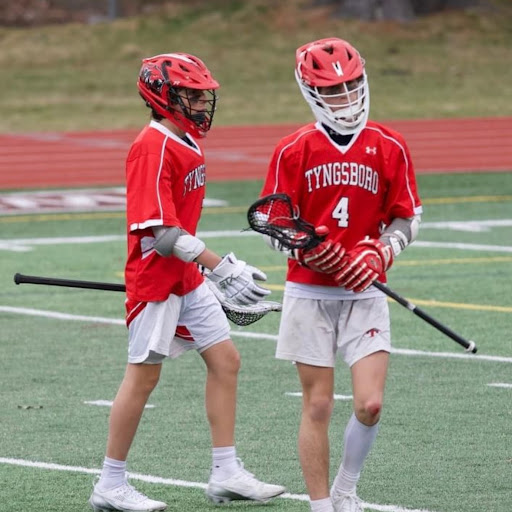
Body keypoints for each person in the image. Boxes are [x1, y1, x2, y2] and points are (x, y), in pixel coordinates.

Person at [88, 52, 286, 512]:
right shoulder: (152, 146)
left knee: (226, 360)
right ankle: (110, 483)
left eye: (202, 96)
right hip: (157, 281)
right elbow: (162, 236)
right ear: (163, 96)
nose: (200, 104)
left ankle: (226, 472)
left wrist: (205, 272)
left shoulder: (186, 140)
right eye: (190, 95)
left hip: (186, 278)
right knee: (143, 377)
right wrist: (222, 268)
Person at [259, 38, 422, 512]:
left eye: (351, 85)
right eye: (333, 90)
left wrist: (382, 252)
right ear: (310, 92)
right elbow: (271, 222)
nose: (346, 97)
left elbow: (408, 216)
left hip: (364, 293)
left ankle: (347, 488)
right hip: (310, 294)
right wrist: (309, 250)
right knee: (318, 405)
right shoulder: (294, 149)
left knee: (370, 404)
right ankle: (321, 506)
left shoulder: (389, 144)